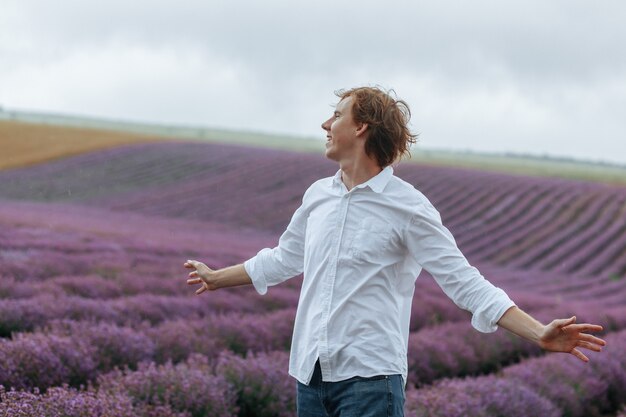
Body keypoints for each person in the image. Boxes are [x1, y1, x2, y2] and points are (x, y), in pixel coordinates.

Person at [185, 86, 607, 417]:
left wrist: (537, 332)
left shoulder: (408, 207)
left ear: (363, 126)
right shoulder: (318, 196)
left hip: (370, 383)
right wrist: (216, 277)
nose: (324, 124)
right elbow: (283, 258)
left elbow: (464, 282)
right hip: (309, 375)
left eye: (336, 115)